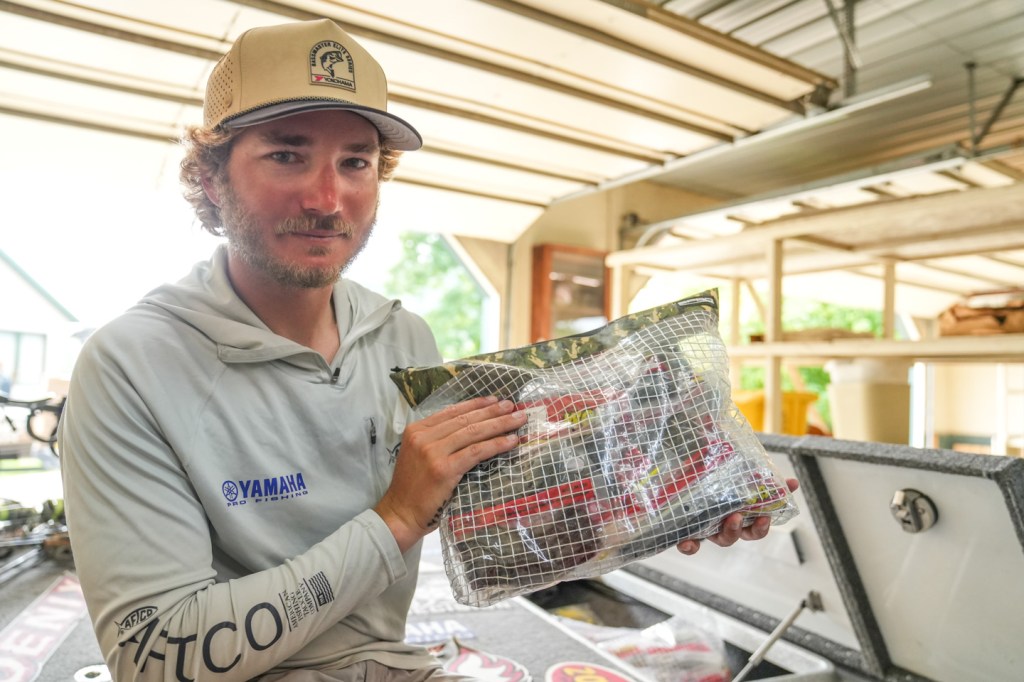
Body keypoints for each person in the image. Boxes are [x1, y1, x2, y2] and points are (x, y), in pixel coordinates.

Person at [58, 18, 797, 682]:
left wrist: (673, 496)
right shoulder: (131, 365)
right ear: (211, 178)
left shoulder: (402, 338)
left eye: (356, 162)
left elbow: (501, 523)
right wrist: (396, 518)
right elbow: (154, 660)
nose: (327, 199)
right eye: (286, 155)